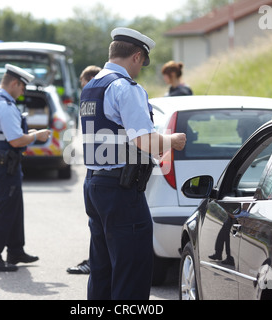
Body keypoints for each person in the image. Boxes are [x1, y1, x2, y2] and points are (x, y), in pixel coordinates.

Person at [80, 27, 186, 299]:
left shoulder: (92, 87)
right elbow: (145, 141)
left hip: (96, 185)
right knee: (132, 271)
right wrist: (171, 140)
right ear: (137, 56)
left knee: (102, 270)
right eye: (141, 63)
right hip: (121, 191)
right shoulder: (125, 88)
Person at [0, 64, 51, 272]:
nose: (23, 93)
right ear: (14, 83)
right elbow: (16, 141)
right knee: (5, 210)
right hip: (5, 162)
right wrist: (37, 136)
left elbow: (8, 133)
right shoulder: (4, 105)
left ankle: (15, 250)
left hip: (4, 161)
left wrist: (28, 133)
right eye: (22, 88)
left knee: (14, 207)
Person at [67, 65, 102, 275]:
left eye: (83, 85)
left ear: (89, 80)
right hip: (94, 170)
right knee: (96, 226)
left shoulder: (95, 99)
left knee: (98, 227)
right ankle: (94, 261)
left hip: (100, 172)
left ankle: (95, 262)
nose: (83, 90)